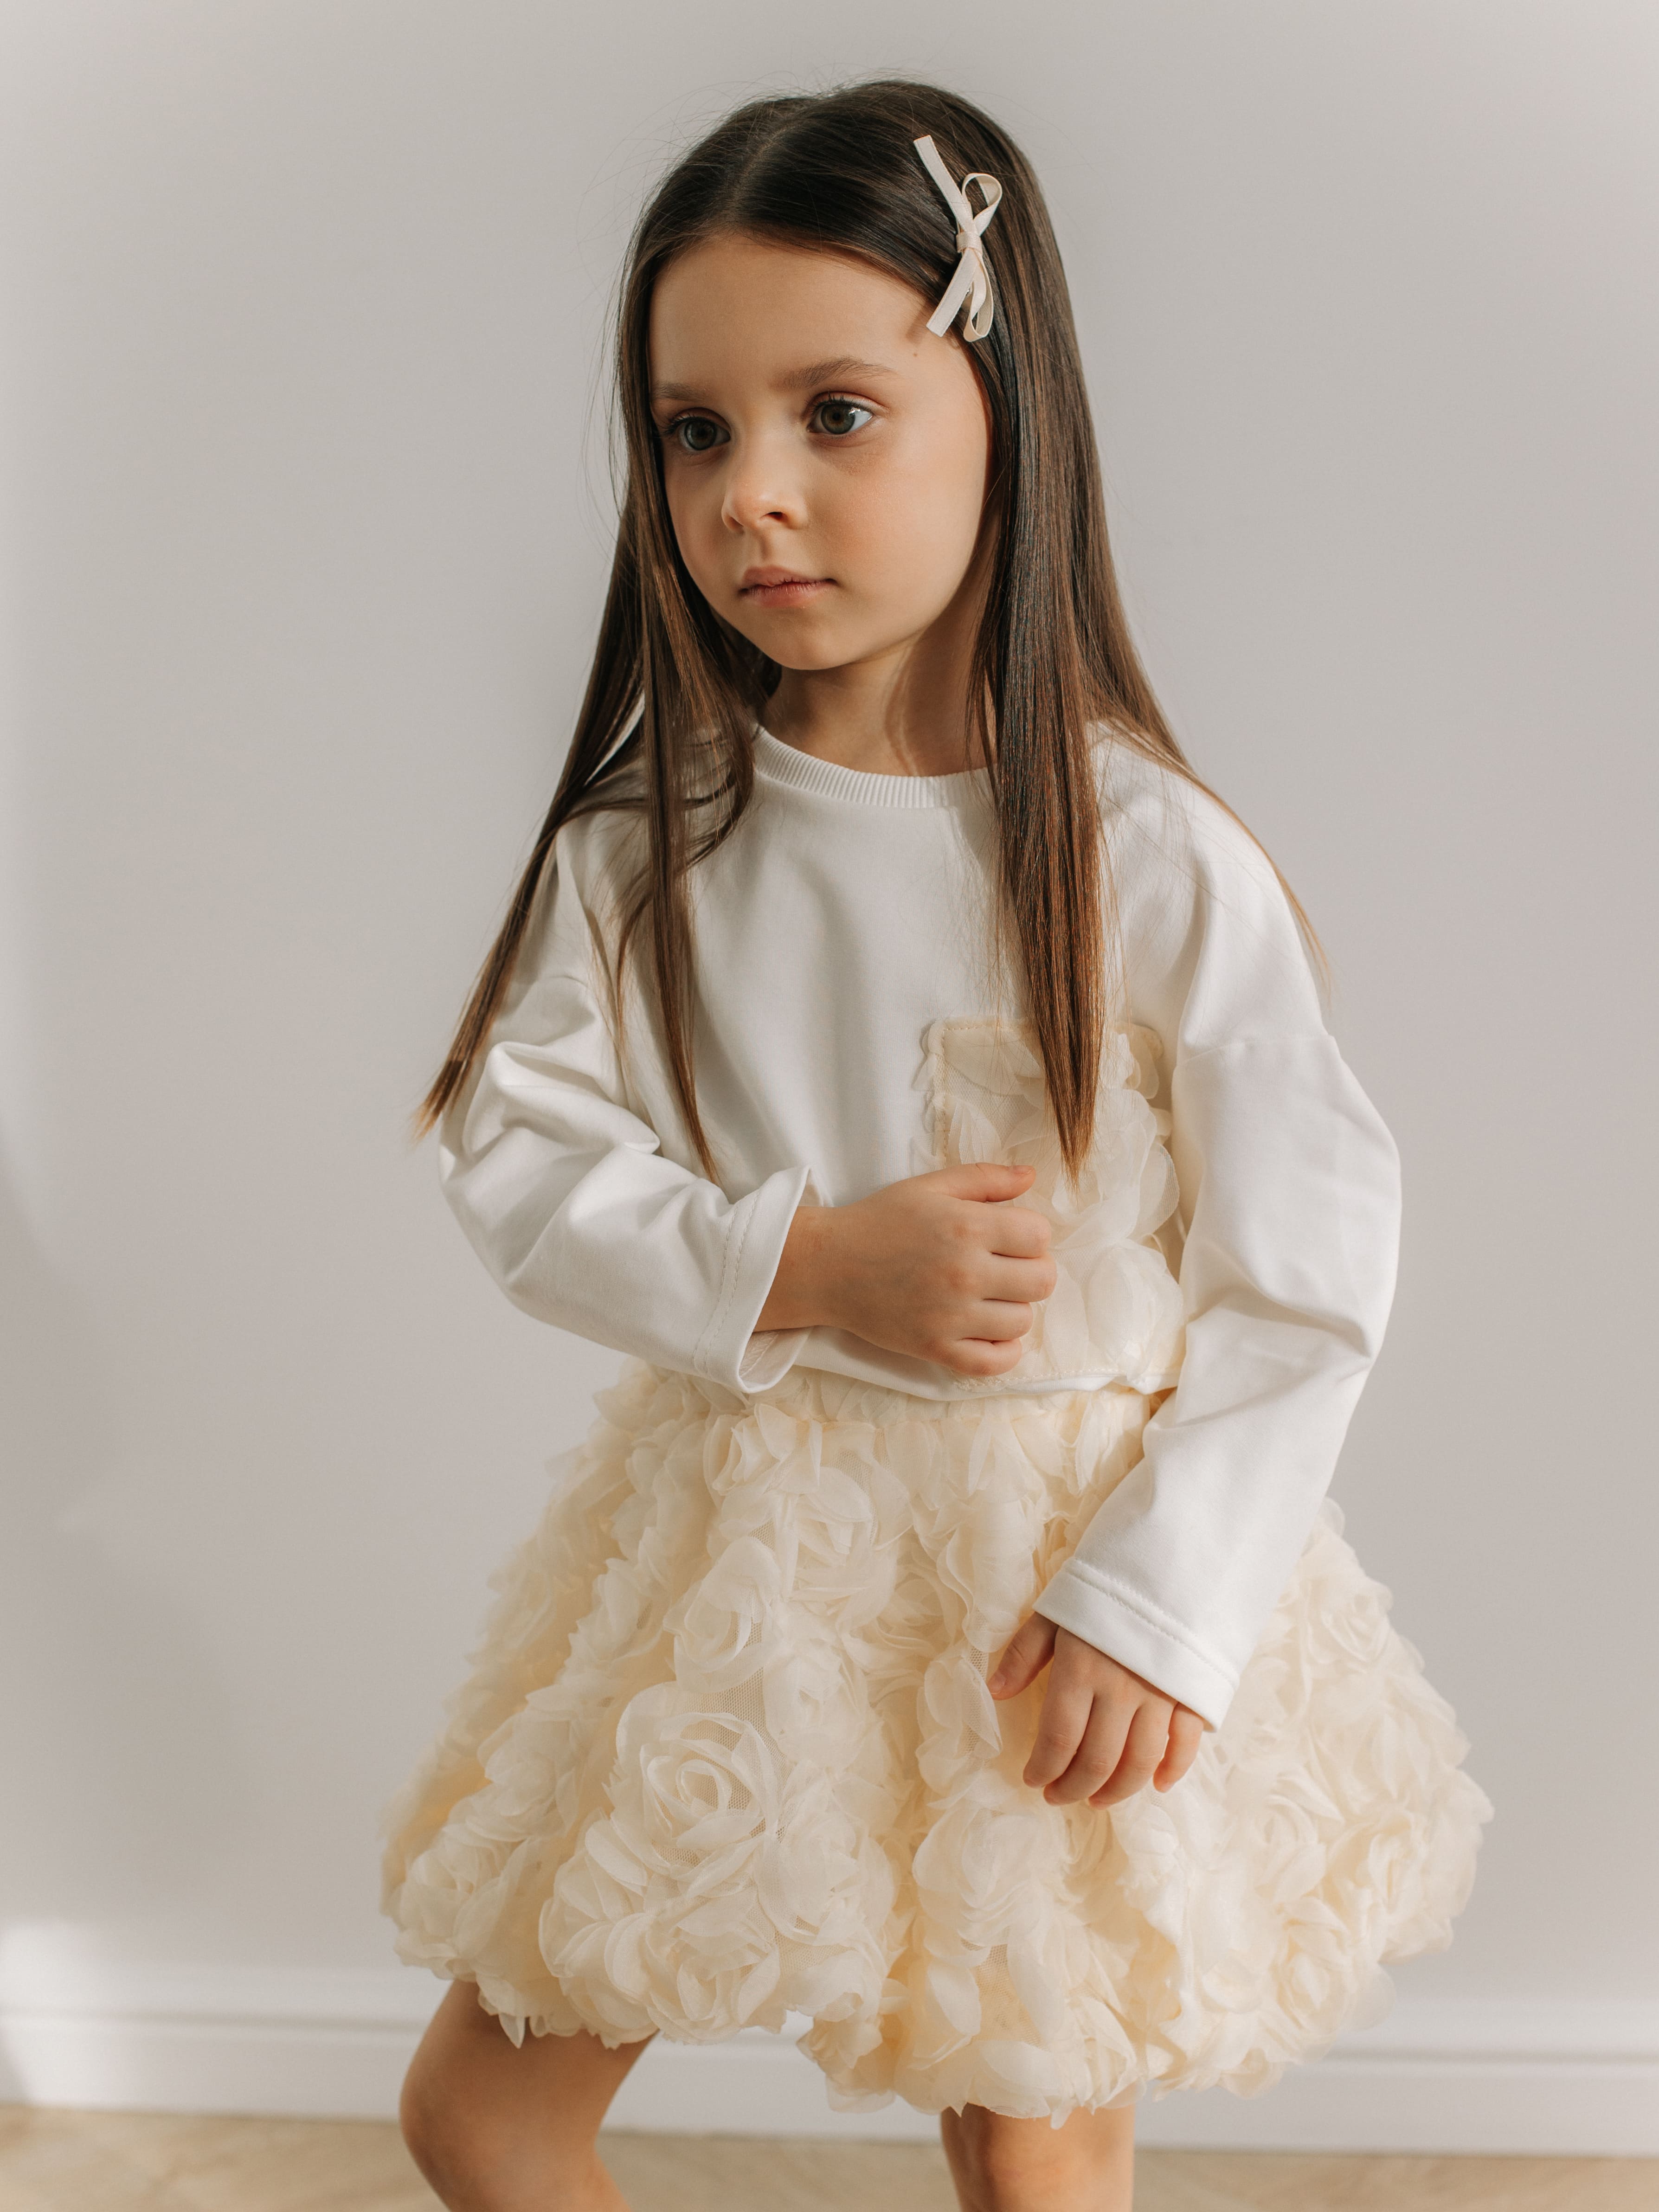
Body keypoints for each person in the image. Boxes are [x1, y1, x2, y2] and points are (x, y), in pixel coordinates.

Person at [380, 78, 1492, 2212]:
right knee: (484, 2111)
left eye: (836, 414)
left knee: (1033, 2140)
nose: (751, 495)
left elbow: (1306, 1272)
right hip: (754, 1581)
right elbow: (514, 1152)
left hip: (1050, 1594)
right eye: (693, 432)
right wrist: (800, 1266)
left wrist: (1162, 1601)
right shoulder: (648, 849)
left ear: (1005, 403)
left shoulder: (1143, 853)